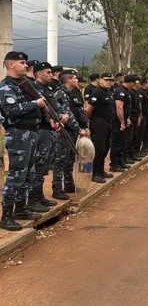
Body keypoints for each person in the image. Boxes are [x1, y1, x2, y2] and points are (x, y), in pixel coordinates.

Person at [0, 51, 47, 231]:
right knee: (16, 175)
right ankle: (6, 216)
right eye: (22, 62)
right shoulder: (6, 87)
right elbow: (11, 111)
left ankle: (20, 208)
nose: (26, 65)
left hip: (31, 132)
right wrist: (36, 104)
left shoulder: (24, 85)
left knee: (28, 174)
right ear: (11, 64)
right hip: (18, 134)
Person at [28, 62, 68, 211]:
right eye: (48, 72)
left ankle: (39, 196)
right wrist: (52, 119)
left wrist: (60, 117)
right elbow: (41, 110)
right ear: (39, 74)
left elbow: (53, 107)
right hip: (42, 130)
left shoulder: (47, 88)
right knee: (38, 165)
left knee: (44, 165)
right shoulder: (34, 88)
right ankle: (32, 199)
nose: (51, 75)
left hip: (51, 130)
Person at [53, 71, 90, 199]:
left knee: (69, 160)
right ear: (68, 80)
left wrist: (85, 126)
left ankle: (69, 185)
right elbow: (67, 113)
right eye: (74, 78)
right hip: (65, 131)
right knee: (60, 161)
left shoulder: (75, 92)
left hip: (74, 131)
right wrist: (79, 129)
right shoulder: (60, 93)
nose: (77, 79)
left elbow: (81, 111)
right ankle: (57, 188)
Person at [86, 73, 115, 182]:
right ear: (101, 80)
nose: (109, 82)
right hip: (99, 122)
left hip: (107, 123)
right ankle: (94, 173)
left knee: (105, 147)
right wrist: (91, 121)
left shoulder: (109, 91)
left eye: (110, 80)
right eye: (106, 80)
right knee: (98, 148)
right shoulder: (97, 92)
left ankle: (101, 170)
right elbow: (89, 110)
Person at [109, 74, 134, 171]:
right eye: (133, 83)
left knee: (122, 141)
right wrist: (122, 122)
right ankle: (114, 164)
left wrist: (127, 118)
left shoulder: (126, 91)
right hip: (117, 121)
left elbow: (126, 108)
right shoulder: (120, 91)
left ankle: (120, 161)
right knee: (117, 142)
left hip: (123, 119)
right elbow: (119, 108)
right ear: (130, 82)